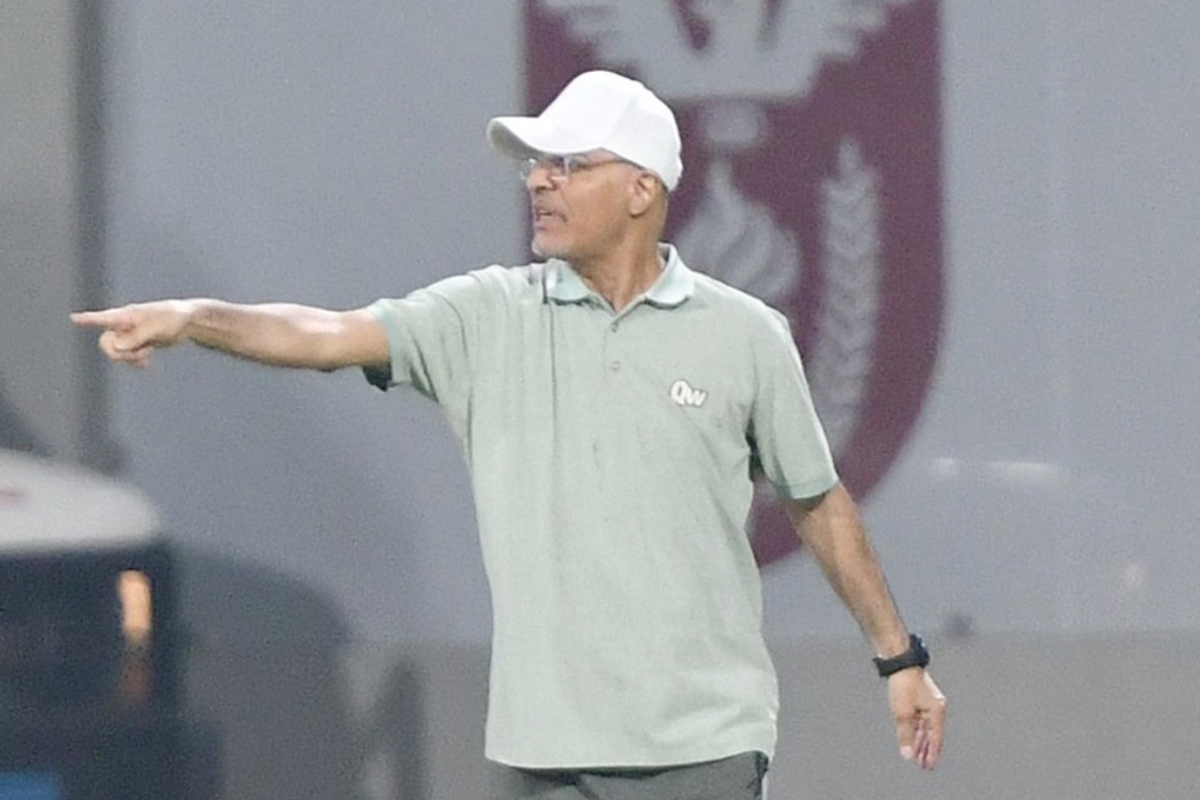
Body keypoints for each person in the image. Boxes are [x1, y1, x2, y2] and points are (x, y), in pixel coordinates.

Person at [73, 69, 945, 798]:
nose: (538, 182)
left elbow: (817, 501)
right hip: (542, 755)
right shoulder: (484, 317)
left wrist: (898, 659)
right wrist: (194, 318)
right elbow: (324, 334)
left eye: (567, 164)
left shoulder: (746, 334)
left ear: (642, 189)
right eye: (535, 165)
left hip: (702, 750)